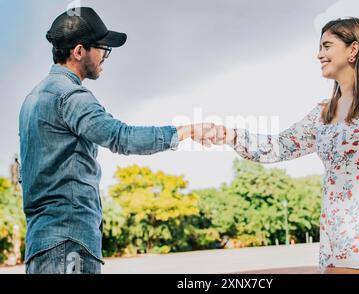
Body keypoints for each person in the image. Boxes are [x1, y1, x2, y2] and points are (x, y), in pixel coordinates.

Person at [213, 17, 359, 274]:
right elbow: (280, 145)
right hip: (334, 230)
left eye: (327, 46)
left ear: (353, 49)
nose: (319, 54)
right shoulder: (323, 112)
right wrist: (229, 135)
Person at [19, 7, 215, 274]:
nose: (105, 56)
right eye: (102, 48)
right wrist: (186, 131)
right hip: (69, 244)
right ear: (78, 51)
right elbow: (121, 136)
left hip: (41, 247)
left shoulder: (31, 101)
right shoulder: (71, 97)